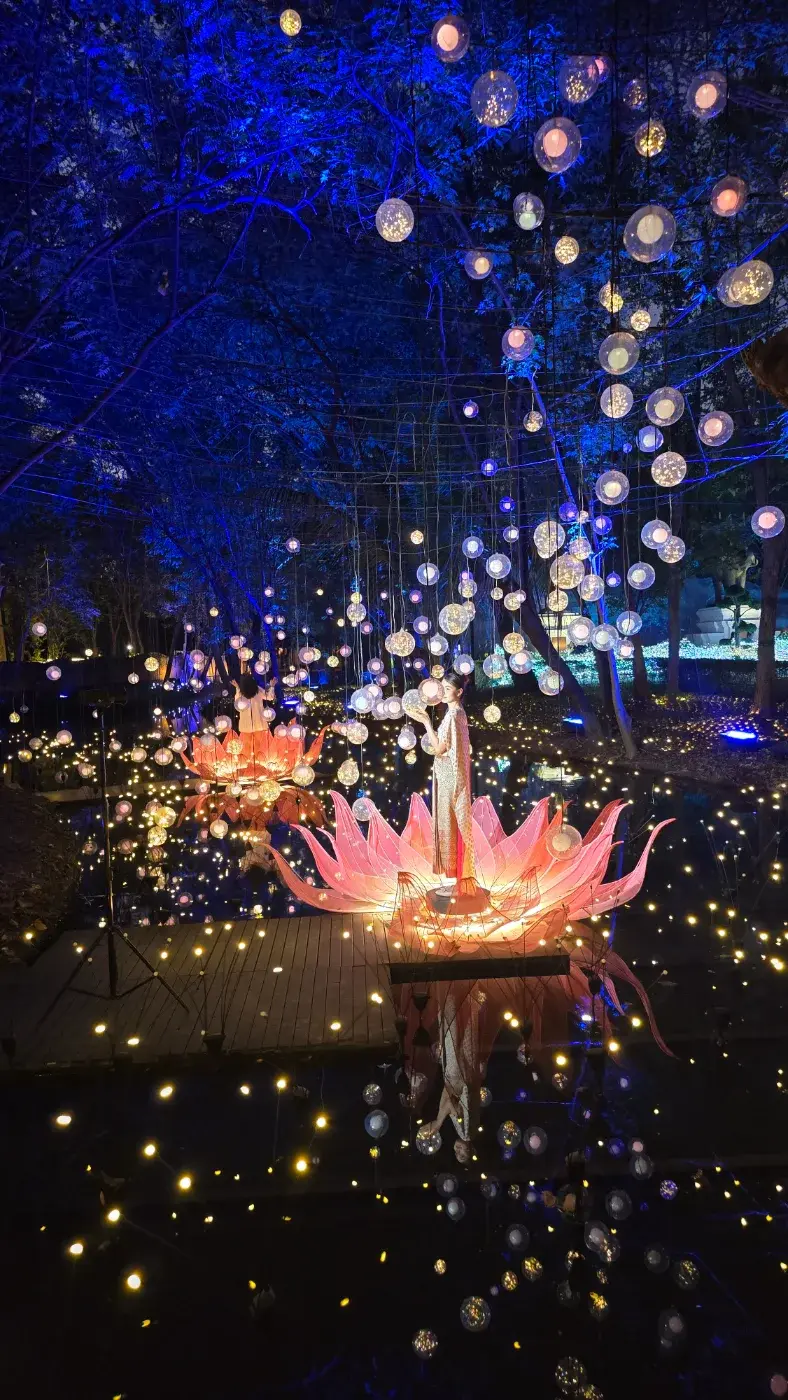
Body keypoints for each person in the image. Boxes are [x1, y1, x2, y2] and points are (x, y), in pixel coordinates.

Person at [412, 671, 479, 898]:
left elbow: (440, 749)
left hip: (450, 776)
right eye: (442, 688)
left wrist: (426, 723)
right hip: (449, 774)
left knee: (452, 823)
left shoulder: (454, 714)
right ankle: (460, 879)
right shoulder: (456, 713)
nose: (442, 692)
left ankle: (462, 879)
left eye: (447, 689)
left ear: (459, 692)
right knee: (453, 823)